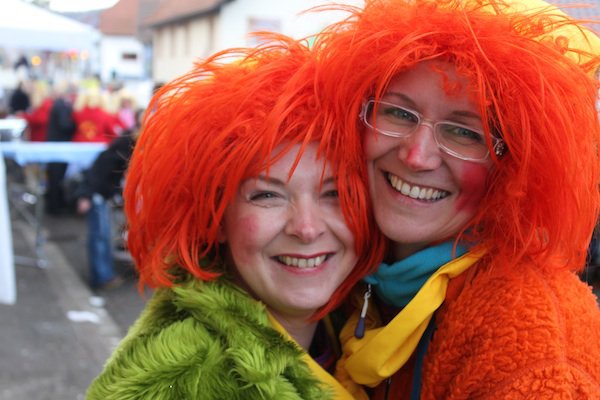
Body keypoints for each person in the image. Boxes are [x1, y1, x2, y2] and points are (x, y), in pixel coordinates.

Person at [311, 0, 600, 398]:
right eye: (398, 112)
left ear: (512, 165)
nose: (416, 156)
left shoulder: (532, 337)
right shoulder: (337, 271)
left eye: (463, 133)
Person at [86, 36, 385, 399]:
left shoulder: (353, 327)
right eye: (267, 195)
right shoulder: (182, 381)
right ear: (216, 217)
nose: (306, 228)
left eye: (334, 194)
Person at [75, 109, 142, 290]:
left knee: (101, 237)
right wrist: (87, 194)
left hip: (98, 193)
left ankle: (103, 276)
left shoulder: (125, 143)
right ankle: (102, 277)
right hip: (97, 194)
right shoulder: (126, 145)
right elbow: (100, 170)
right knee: (100, 237)